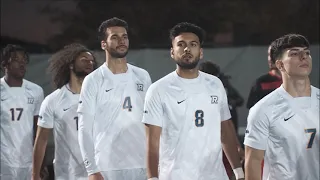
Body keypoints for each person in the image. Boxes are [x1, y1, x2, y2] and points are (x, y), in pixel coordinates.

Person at [142, 22, 244, 180]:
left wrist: (238, 171)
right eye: (181, 45)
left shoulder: (215, 84)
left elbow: (225, 129)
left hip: (215, 176)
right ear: (172, 52)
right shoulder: (159, 90)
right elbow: (152, 142)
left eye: (193, 44)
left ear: (201, 52)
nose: (187, 49)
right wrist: (152, 178)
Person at [77, 17, 152, 180]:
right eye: (115, 37)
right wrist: (92, 170)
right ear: (104, 44)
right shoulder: (93, 80)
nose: (121, 41)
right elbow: (84, 128)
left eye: (124, 37)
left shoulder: (142, 76)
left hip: (142, 165)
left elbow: (151, 122)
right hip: (107, 167)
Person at [244, 34, 319, 180]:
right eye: (295, 54)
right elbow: (253, 161)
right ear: (280, 65)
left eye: (307, 53)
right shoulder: (263, 109)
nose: (304, 57)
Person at [32, 43, 96, 180]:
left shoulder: (100, 97)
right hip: (67, 174)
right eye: (84, 60)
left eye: (91, 61)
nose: (89, 63)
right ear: (71, 65)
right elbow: (41, 139)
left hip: (97, 172)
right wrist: (35, 174)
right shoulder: (53, 100)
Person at [0, 44, 44, 179]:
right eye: (16, 59)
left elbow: (39, 130)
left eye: (24, 60)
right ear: (4, 64)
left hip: (28, 162)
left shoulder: (36, 91)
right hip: (3, 162)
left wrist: (40, 164)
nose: (22, 63)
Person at [199, 60, 244, 180]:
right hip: (204, 144)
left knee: (228, 171)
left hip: (223, 138)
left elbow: (226, 124)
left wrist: (237, 144)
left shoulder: (221, 87)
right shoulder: (196, 93)